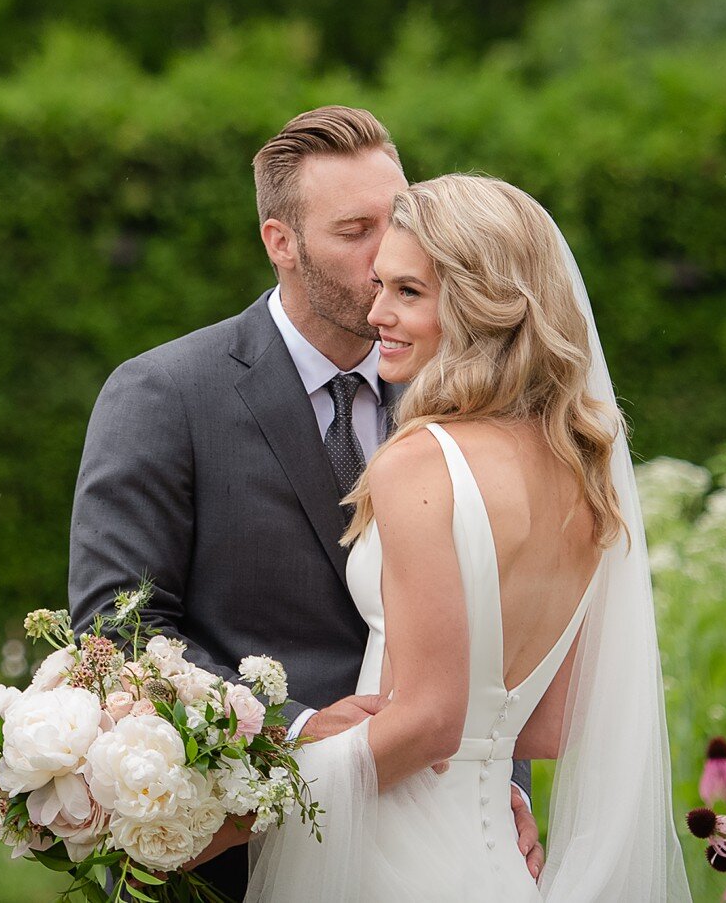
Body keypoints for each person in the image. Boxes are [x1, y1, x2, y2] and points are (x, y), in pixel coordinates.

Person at [67, 109, 543, 900]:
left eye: (396, 221)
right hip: (242, 855)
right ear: (279, 242)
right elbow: (116, 630)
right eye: (353, 230)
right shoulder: (164, 395)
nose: (384, 254)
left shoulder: (457, 396)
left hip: (443, 846)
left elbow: (502, 621)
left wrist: (507, 782)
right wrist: (288, 724)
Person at [241, 173, 694, 903]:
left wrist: (248, 805)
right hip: (495, 865)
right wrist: (485, 768)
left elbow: (429, 720)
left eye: (410, 292)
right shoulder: (582, 468)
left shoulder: (421, 462)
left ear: (485, 307)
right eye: (381, 284)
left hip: (396, 863)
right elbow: (552, 723)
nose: (376, 311)